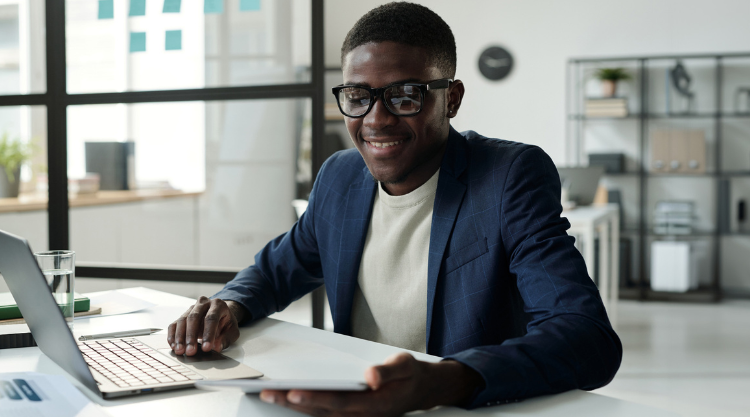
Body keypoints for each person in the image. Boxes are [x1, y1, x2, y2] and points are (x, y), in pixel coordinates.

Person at [167, 2, 622, 415]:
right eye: (358, 96)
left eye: (405, 95)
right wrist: (227, 304)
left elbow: (585, 335)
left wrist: (444, 381)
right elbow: (275, 271)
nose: (376, 119)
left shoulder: (508, 177)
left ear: (452, 99)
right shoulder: (340, 176)